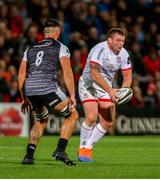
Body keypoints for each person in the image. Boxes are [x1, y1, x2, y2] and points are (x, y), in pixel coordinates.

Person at [18, 19, 79, 166]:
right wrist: (72, 95)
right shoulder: (61, 47)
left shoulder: (30, 49)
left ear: (44, 33)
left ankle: (29, 155)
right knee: (72, 114)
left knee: (40, 120)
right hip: (47, 87)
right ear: (57, 32)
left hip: (31, 88)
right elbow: (67, 71)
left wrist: (24, 98)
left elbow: (21, 75)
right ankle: (60, 150)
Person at [78, 28, 132, 162]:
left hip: (104, 88)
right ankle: (82, 149)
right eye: (118, 40)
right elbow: (94, 73)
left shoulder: (124, 54)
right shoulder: (100, 49)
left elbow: (127, 75)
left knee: (108, 121)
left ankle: (88, 148)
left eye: (123, 41)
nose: (121, 44)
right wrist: (110, 90)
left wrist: (123, 91)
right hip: (88, 84)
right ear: (109, 40)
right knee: (91, 117)